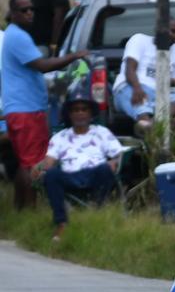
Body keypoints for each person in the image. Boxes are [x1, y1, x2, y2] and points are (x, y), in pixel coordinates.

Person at [1, 0, 88, 209]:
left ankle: (20, 209)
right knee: (32, 163)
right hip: (27, 110)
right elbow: (43, 65)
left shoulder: (13, 35)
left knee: (25, 162)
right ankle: (30, 210)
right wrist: (74, 56)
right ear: (13, 14)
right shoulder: (18, 37)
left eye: (31, 9)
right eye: (23, 10)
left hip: (21, 108)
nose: (30, 13)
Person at [32, 92, 122, 240]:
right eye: (75, 110)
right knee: (52, 174)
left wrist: (114, 162)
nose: (80, 113)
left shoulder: (102, 132)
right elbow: (50, 160)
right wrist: (39, 167)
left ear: (90, 113)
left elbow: (118, 154)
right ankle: (61, 223)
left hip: (95, 174)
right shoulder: (60, 136)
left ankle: (97, 210)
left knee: (105, 169)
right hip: (70, 176)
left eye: (84, 109)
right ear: (69, 114)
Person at [111, 19, 175, 134]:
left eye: (173, 31)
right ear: (157, 30)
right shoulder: (139, 39)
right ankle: (149, 126)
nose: (170, 34)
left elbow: (164, 83)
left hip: (157, 93)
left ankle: (153, 124)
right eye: (166, 30)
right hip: (130, 86)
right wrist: (137, 88)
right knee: (142, 107)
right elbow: (130, 70)